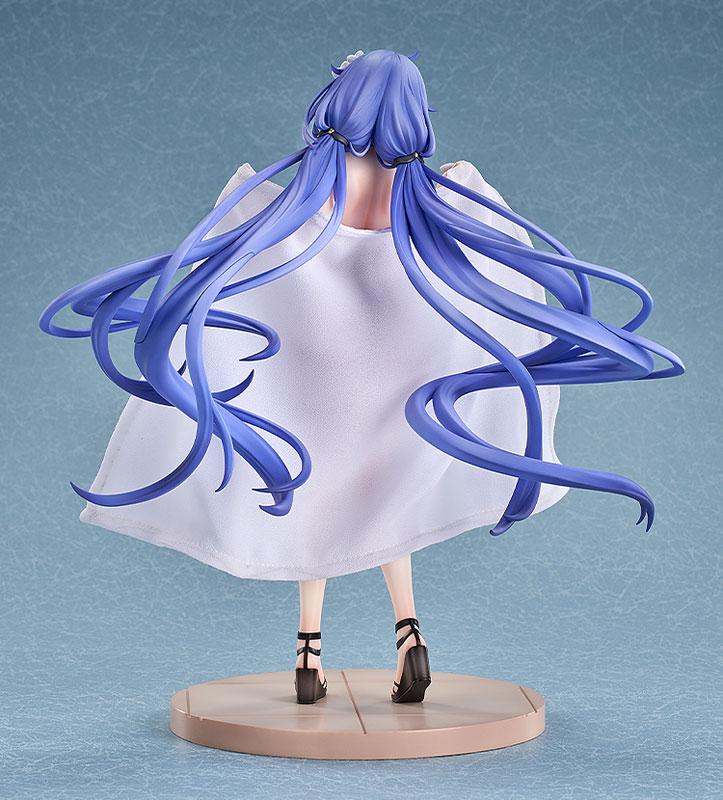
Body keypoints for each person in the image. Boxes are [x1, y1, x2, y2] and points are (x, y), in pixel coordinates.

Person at [39, 49, 684, 705]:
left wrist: (243, 203)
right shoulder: (431, 192)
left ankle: (308, 652)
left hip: (314, 372)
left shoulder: (311, 183)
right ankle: (409, 634)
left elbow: (256, 233)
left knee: (311, 498)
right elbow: (495, 253)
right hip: (401, 376)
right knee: (385, 499)